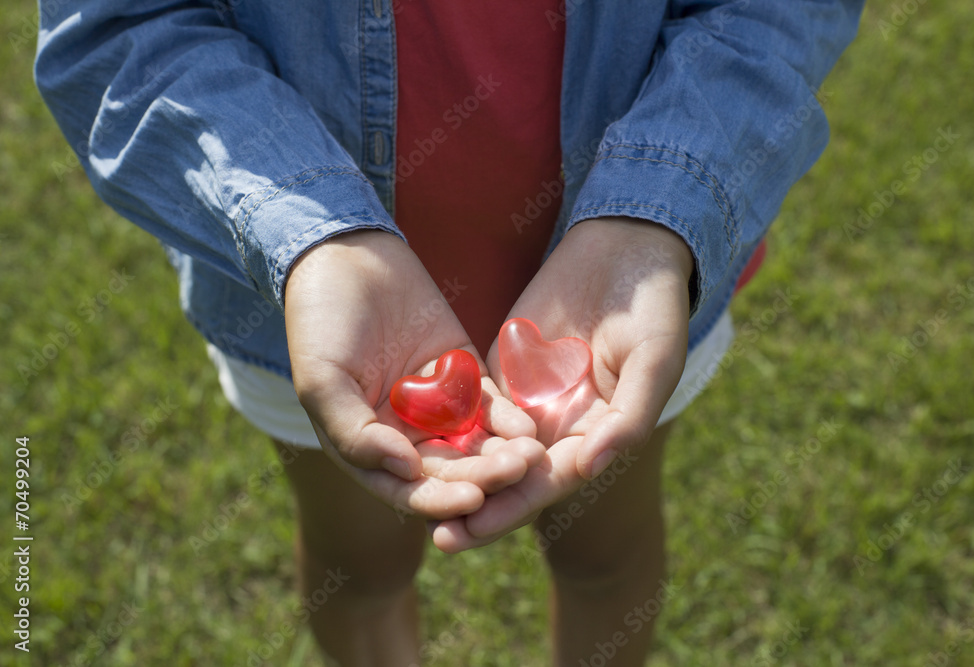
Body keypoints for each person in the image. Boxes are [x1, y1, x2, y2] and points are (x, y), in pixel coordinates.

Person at [35, 1, 863, 664]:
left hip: (635, 279)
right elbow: (116, 25)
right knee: (360, 561)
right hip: (308, 303)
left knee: (603, 548)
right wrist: (313, 238)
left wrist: (659, 209)